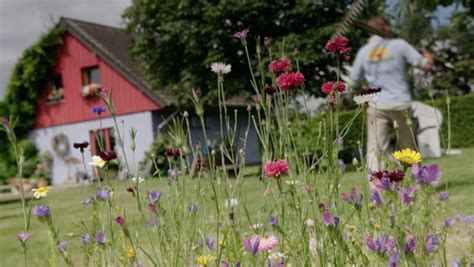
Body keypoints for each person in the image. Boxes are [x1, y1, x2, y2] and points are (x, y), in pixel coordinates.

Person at [350, 16, 434, 171]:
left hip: (377, 106)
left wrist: (363, 90)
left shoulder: (363, 52)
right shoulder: (399, 45)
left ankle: (378, 189)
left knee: (376, 149)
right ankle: (416, 185)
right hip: (400, 103)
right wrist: (429, 57)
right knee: (409, 147)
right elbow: (425, 65)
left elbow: (353, 83)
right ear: (385, 28)